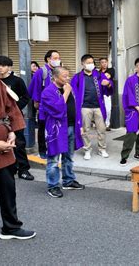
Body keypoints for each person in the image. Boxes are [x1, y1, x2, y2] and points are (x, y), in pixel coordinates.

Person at [0, 43, 36, 258]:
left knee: (7, 189)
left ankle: (11, 227)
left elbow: (12, 108)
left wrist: (13, 131)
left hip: (4, 144)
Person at [41, 67, 85, 198]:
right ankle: (53, 186)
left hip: (71, 126)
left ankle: (68, 180)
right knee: (54, 159)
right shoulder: (48, 91)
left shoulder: (69, 88)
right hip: (56, 129)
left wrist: (79, 124)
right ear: (55, 77)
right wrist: (66, 93)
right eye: (64, 76)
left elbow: (76, 108)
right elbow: (57, 109)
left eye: (68, 76)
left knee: (69, 156)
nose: (67, 78)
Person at [0, 56, 34, 181]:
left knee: (19, 143)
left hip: (14, 116)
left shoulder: (17, 81)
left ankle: (23, 169)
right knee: (0, 143)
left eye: (3, 65)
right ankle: (8, 167)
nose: (0, 68)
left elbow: (26, 96)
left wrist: (15, 108)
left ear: (9, 67)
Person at [71, 54, 113, 160]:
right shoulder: (78, 77)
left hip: (98, 106)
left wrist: (108, 84)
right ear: (83, 64)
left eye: (92, 62)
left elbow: (109, 86)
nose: (91, 64)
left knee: (102, 129)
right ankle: (87, 149)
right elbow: (73, 91)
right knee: (85, 130)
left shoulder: (98, 75)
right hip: (84, 106)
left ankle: (102, 149)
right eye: (88, 63)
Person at [28, 50, 62, 159]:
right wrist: (36, 102)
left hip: (56, 105)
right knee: (42, 129)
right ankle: (42, 150)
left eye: (58, 58)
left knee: (56, 127)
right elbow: (35, 88)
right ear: (48, 59)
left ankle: (55, 148)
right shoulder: (41, 72)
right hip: (44, 106)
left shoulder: (58, 71)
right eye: (55, 58)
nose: (58, 60)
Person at [120, 58, 139, 165]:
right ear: (137, 67)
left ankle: (138, 153)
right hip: (133, 111)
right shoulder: (130, 80)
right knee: (131, 134)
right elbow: (129, 95)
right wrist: (138, 108)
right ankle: (124, 156)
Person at [99, 57, 115, 130]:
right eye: (102, 62)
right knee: (100, 110)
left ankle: (107, 124)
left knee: (108, 109)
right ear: (100, 63)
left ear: (107, 62)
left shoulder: (111, 70)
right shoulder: (98, 72)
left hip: (107, 93)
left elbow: (106, 77)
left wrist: (100, 78)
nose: (104, 63)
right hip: (99, 93)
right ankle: (101, 124)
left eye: (105, 62)